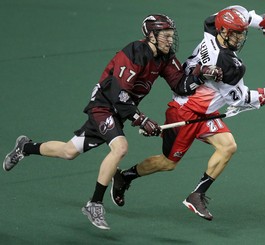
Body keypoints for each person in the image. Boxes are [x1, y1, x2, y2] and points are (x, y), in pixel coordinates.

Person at [2, 14, 223, 229]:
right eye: (164, 35)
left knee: (69, 151)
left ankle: (25, 147)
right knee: (120, 148)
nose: (170, 39)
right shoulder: (134, 53)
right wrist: (141, 119)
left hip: (119, 110)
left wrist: (202, 74)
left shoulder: (165, 57)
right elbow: (119, 97)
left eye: (171, 34)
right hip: (104, 105)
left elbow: (179, 85)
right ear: (151, 36)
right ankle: (94, 203)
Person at [111, 6, 265, 221]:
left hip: (205, 112)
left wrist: (264, 22)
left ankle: (197, 195)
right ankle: (124, 177)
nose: (240, 37)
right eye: (236, 33)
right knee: (168, 163)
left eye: (242, 32)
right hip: (185, 112)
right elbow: (237, 98)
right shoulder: (228, 64)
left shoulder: (211, 27)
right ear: (224, 32)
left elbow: (240, 15)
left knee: (228, 146)